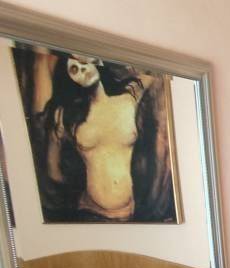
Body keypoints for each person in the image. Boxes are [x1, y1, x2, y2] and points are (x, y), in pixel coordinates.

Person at [36, 53, 167, 221]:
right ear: (70, 79)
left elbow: (160, 74)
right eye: (74, 70)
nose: (82, 70)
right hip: (89, 210)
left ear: (95, 62)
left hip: (130, 212)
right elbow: (54, 172)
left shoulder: (130, 100)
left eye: (83, 63)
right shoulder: (65, 116)